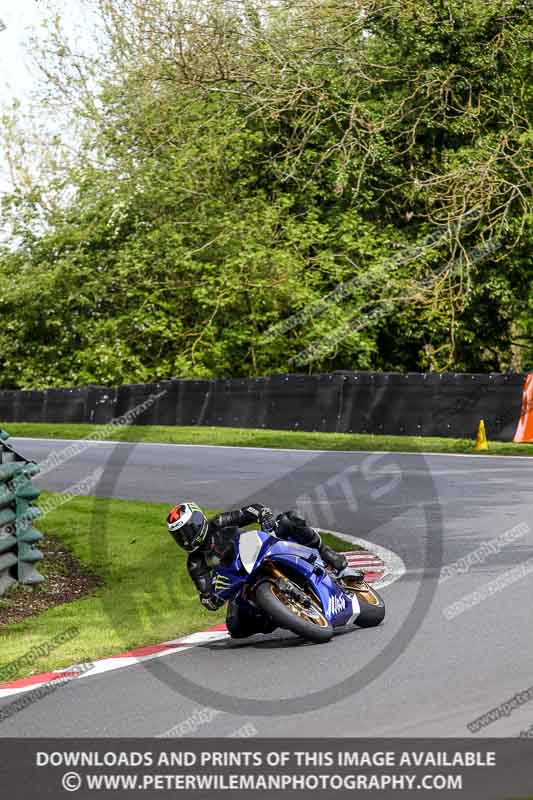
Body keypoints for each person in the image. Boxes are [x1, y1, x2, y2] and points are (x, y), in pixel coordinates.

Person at [166, 501, 348, 638]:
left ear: (198, 521)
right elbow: (206, 594)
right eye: (179, 536)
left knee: (289, 519)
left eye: (187, 531)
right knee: (235, 628)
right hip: (241, 584)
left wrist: (264, 514)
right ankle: (276, 616)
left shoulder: (219, 523)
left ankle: (326, 553)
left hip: (260, 553)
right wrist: (210, 599)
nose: (185, 538)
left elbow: (250, 510)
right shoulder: (195, 563)